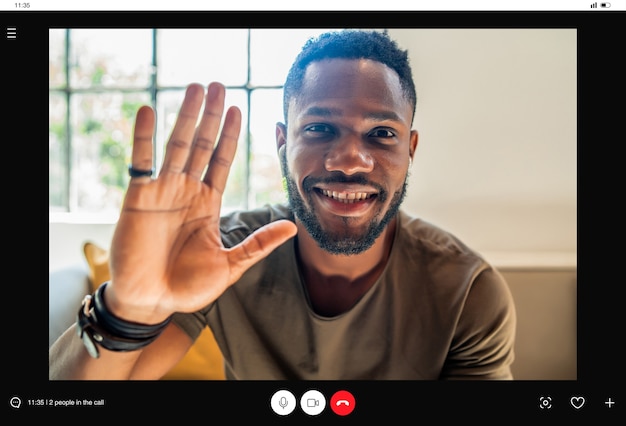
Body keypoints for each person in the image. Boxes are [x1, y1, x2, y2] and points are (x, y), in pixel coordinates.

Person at [49, 29, 516, 380]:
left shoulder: (466, 291)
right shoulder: (220, 255)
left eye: (382, 134)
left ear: (410, 149)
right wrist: (125, 309)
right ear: (281, 142)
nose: (351, 161)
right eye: (319, 129)